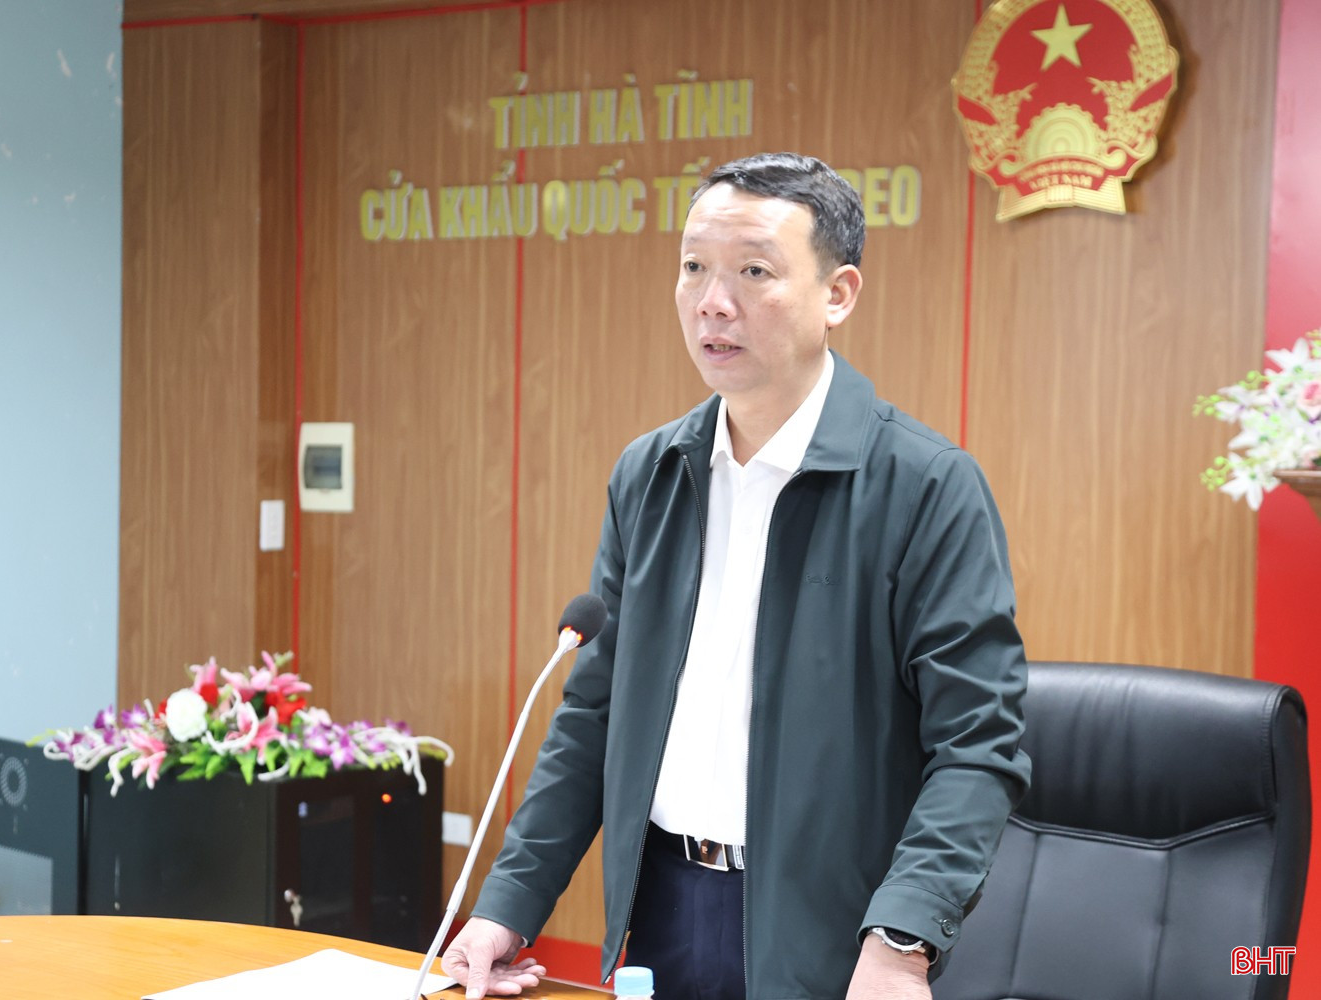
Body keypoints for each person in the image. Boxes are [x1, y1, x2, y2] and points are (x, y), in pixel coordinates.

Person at [442, 152, 1032, 1000]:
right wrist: (508, 904)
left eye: (753, 271)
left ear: (838, 294)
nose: (712, 302)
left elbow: (977, 745)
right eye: (694, 269)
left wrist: (903, 938)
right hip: (664, 908)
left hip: (842, 932)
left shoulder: (925, 486)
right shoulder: (651, 473)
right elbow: (595, 714)